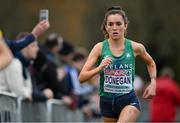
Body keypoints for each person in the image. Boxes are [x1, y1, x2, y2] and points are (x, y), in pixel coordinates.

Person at [79, 6, 156, 122]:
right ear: (106, 27)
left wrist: (153, 82)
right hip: (107, 102)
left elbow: (150, 62)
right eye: (110, 24)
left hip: (128, 100)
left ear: (125, 26)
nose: (114, 28)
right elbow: (81, 77)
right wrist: (99, 68)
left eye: (118, 24)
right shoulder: (99, 48)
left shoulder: (135, 47)